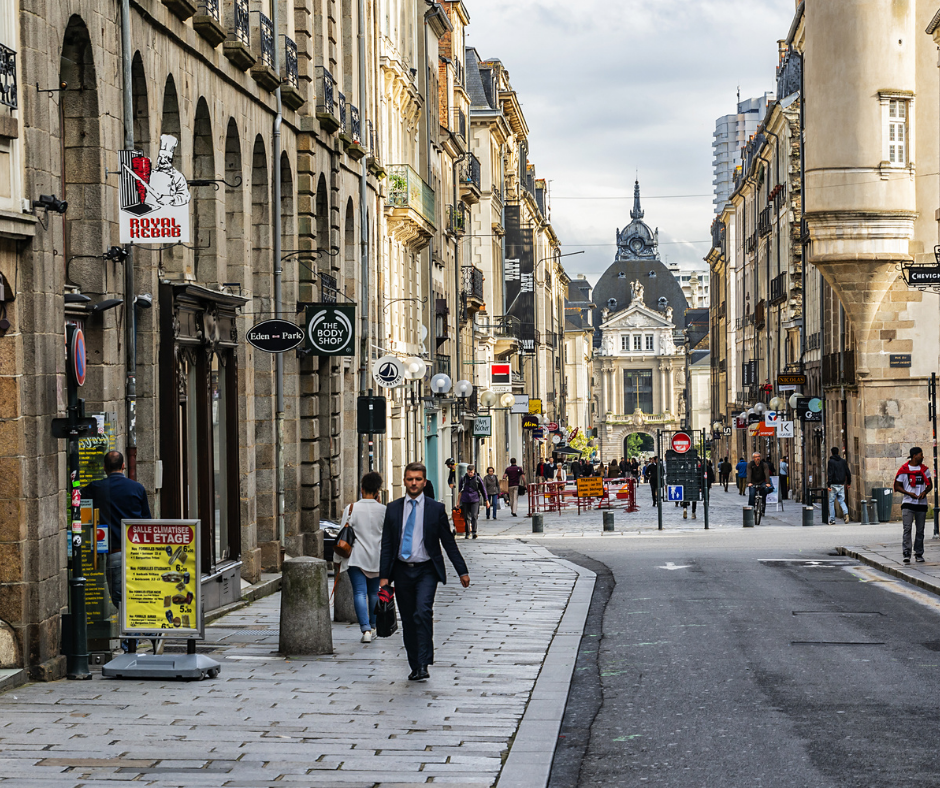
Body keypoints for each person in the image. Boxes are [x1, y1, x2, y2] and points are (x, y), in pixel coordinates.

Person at [379, 463, 470, 681]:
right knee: (409, 620)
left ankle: (424, 663)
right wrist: (383, 578)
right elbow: (387, 545)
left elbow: (448, 542)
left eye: (418, 479)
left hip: (426, 570)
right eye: (410, 479)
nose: (413, 483)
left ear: (424, 482)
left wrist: (462, 571)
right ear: (404, 480)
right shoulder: (392, 509)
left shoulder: (435, 509)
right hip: (401, 570)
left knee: (422, 612)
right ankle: (415, 664)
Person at [82, 450, 156, 654]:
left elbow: (77, 494)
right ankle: (147, 633)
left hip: (114, 553)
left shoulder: (97, 487)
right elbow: (146, 521)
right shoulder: (137, 488)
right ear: (123, 466)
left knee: (119, 599)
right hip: (137, 554)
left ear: (105, 468)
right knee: (136, 595)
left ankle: (131, 640)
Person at [336, 472, 386, 643]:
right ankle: (373, 626)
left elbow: (342, 534)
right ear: (378, 491)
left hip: (356, 557)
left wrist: (337, 562)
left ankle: (365, 630)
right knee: (374, 593)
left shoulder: (352, 508)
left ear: (362, 489)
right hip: (377, 558)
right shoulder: (384, 510)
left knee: (359, 592)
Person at [894, 447, 933, 564]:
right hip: (908, 503)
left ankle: (919, 553)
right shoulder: (904, 470)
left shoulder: (925, 470)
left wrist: (924, 492)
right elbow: (897, 486)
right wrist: (908, 493)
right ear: (914, 455)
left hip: (921, 503)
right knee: (907, 528)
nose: (922, 457)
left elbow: (930, 485)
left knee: (920, 530)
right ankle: (906, 553)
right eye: (921, 454)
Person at [458, 465, 486, 539]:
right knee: (466, 517)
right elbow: (460, 491)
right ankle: (467, 533)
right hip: (465, 500)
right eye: (469, 472)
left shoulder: (477, 479)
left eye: (471, 472)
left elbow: (483, 490)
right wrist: (458, 502)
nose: (470, 473)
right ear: (467, 471)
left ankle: (474, 532)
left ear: (474, 471)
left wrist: (486, 500)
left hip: (475, 500)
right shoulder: (463, 479)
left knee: (474, 516)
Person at [827, 447, 852, 525]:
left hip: (833, 484)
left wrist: (829, 485)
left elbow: (830, 473)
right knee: (841, 500)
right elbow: (848, 472)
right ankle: (846, 513)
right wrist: (848, 483)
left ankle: (832, 519)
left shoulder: (831, 462)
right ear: (838, 452)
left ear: (831, 453)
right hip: (841, 484)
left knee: (831, 502)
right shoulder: (843, 461)